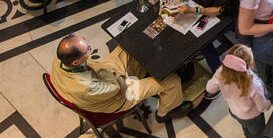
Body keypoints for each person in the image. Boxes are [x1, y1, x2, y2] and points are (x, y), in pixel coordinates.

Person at [51, 34, 190, 120]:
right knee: (171, 81)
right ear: (76, 62)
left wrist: (117, 77)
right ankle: (165, 113)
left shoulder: (61, 59)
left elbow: (95, 66)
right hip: (118, 98)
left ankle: (140, 73)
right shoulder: (86, 87)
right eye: (87, 50)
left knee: (128, 48)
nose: (90, 48)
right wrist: (120, 80)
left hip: (105, 79)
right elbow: (116, 87)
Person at [205, 44, 271, 138]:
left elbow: (209, 89)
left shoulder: (221, 73)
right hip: (253, 117)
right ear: (248, 65)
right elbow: (262, 107)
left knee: (245, 127)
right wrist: (268, 102)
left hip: (234, 111)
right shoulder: (254, 84)